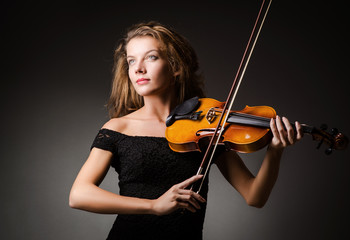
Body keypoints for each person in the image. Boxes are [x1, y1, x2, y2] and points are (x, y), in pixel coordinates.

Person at [69, 21, 303, 239]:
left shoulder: (207, 129)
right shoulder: (118, 128)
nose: (138, 69)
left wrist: (275, 150)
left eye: (151, 57)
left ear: (175, 67)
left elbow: (255, 196)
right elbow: (79, 195)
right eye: (131, 61)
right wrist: (153, 206)